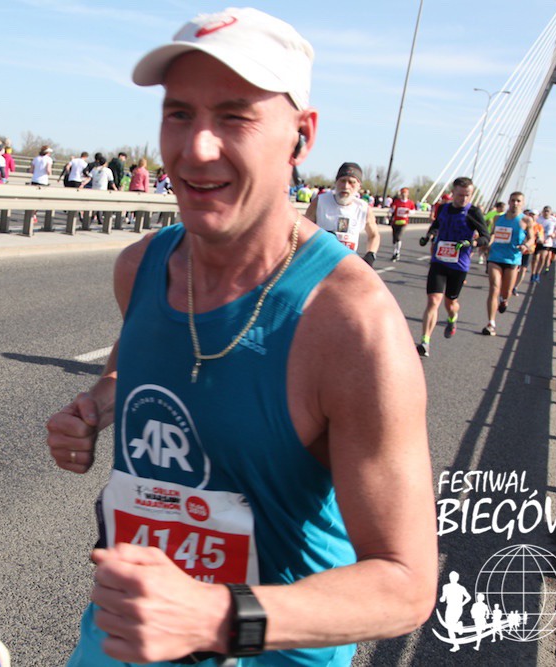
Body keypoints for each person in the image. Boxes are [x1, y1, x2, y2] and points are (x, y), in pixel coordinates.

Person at [45, 8, 436, 666]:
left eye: (234, 117)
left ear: (301, 137)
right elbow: (133, 364)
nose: (197, 148)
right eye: (179, 113)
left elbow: (405, 583)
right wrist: (97, 405)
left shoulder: (352, 326)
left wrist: (219, 616)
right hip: (126, 635)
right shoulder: (140, 268)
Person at [415, 177, 490, 358]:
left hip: (459, 265)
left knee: (450, 303)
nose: (464, 199)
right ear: (453, 193)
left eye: (467, 195)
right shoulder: (443, 208)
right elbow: (436, 225)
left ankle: (452, 317)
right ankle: (425, 341)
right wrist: (429, 236)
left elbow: (486, 237)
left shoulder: (473, 212)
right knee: (433, 301)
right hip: (439, 261)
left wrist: (472, 243)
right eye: (460, 195)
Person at [304, 161, 380, 265]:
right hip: (320, 263)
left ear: (359, 186)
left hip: (347, 265)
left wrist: (370, 255)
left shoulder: (364, 209)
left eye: (352, 182)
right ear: (336, 182)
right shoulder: (320, 202)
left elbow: (374, 235)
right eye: (342, 181)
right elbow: (303, 230)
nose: (346, 186)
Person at [482, 192, 533, 336]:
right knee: (494, 288)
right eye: (513, 200)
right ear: (509, 202)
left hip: (512, 258)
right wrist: (488, 244)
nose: (515, 203)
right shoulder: (498, 218)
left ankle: (504, 300)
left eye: (518, 201)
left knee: (506, 291)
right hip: (495, 256)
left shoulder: (526, 220)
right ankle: (491, 323)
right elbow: (493, 233)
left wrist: (525, 246)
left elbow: (531, 239)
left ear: (522, 203)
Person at [532, 206, 556, 282]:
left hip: (547, 242)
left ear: (550, 212)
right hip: (537, 241)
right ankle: (533, 274)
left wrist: (554, 233)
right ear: (543, 211)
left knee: (542, 258)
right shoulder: (539, 219)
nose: (546, 212)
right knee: (535, 258)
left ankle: (537, 274)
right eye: (545, 211)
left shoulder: (554, 219)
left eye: (548, 211)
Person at [389, 187, 416, 261]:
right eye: (402, 193)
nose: (404, 194)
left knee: (398, 237)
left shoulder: (410, 202)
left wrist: (409, 211)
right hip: (395, 222)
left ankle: (397, 252)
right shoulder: (396, 202)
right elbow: (391, 210)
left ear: (408, 194)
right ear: (400, 194)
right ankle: (394, 252)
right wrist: (392, 209)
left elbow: (414, 211)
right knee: (394, 238)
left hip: (404, 222)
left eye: (405, 193)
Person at [479, 201, 506, 265]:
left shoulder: (505, 215)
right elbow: (482, 220)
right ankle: (481, 256)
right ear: (498, 207)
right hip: (488, 233)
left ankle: (489, 261)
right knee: (484, 246)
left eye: (504, 207)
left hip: (499, 235)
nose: (504, 209)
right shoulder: (491, 213)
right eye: (502, 207)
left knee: (491, 248)